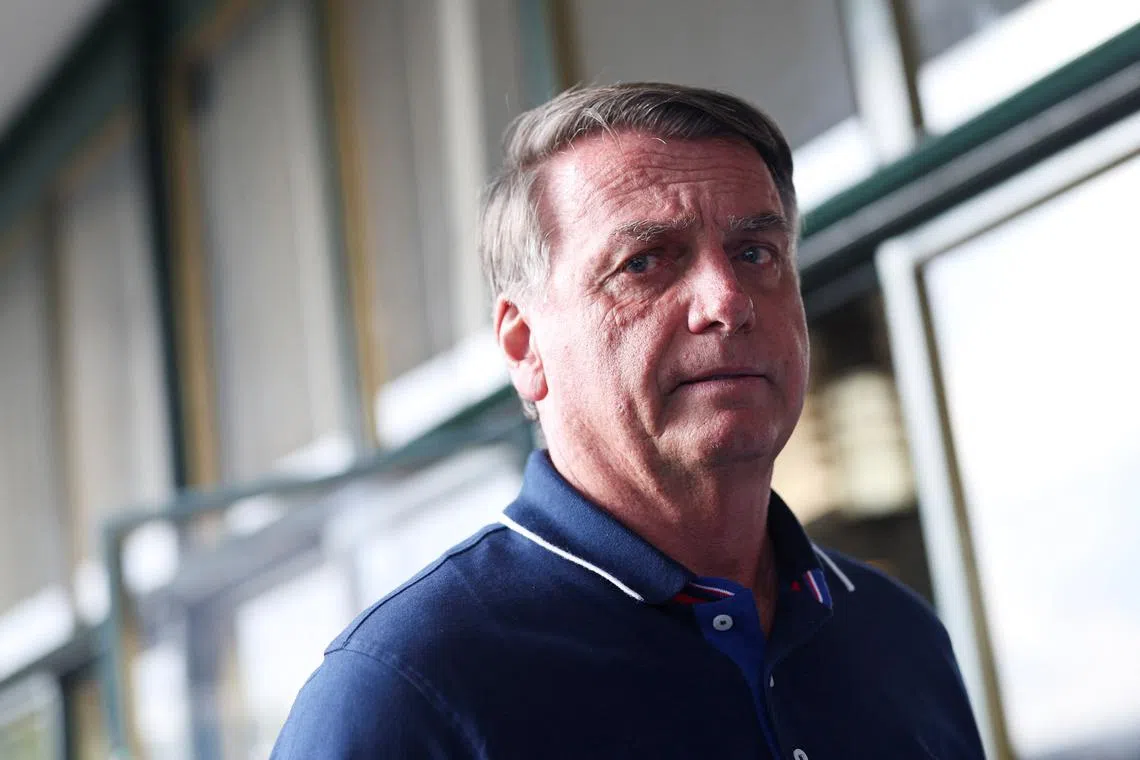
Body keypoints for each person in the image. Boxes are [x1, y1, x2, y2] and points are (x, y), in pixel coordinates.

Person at [272, 83, 986, 759]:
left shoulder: (899, 636)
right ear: (525, 346)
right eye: (644, 263)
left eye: (756, 253)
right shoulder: (404, 693)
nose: (727, 301)